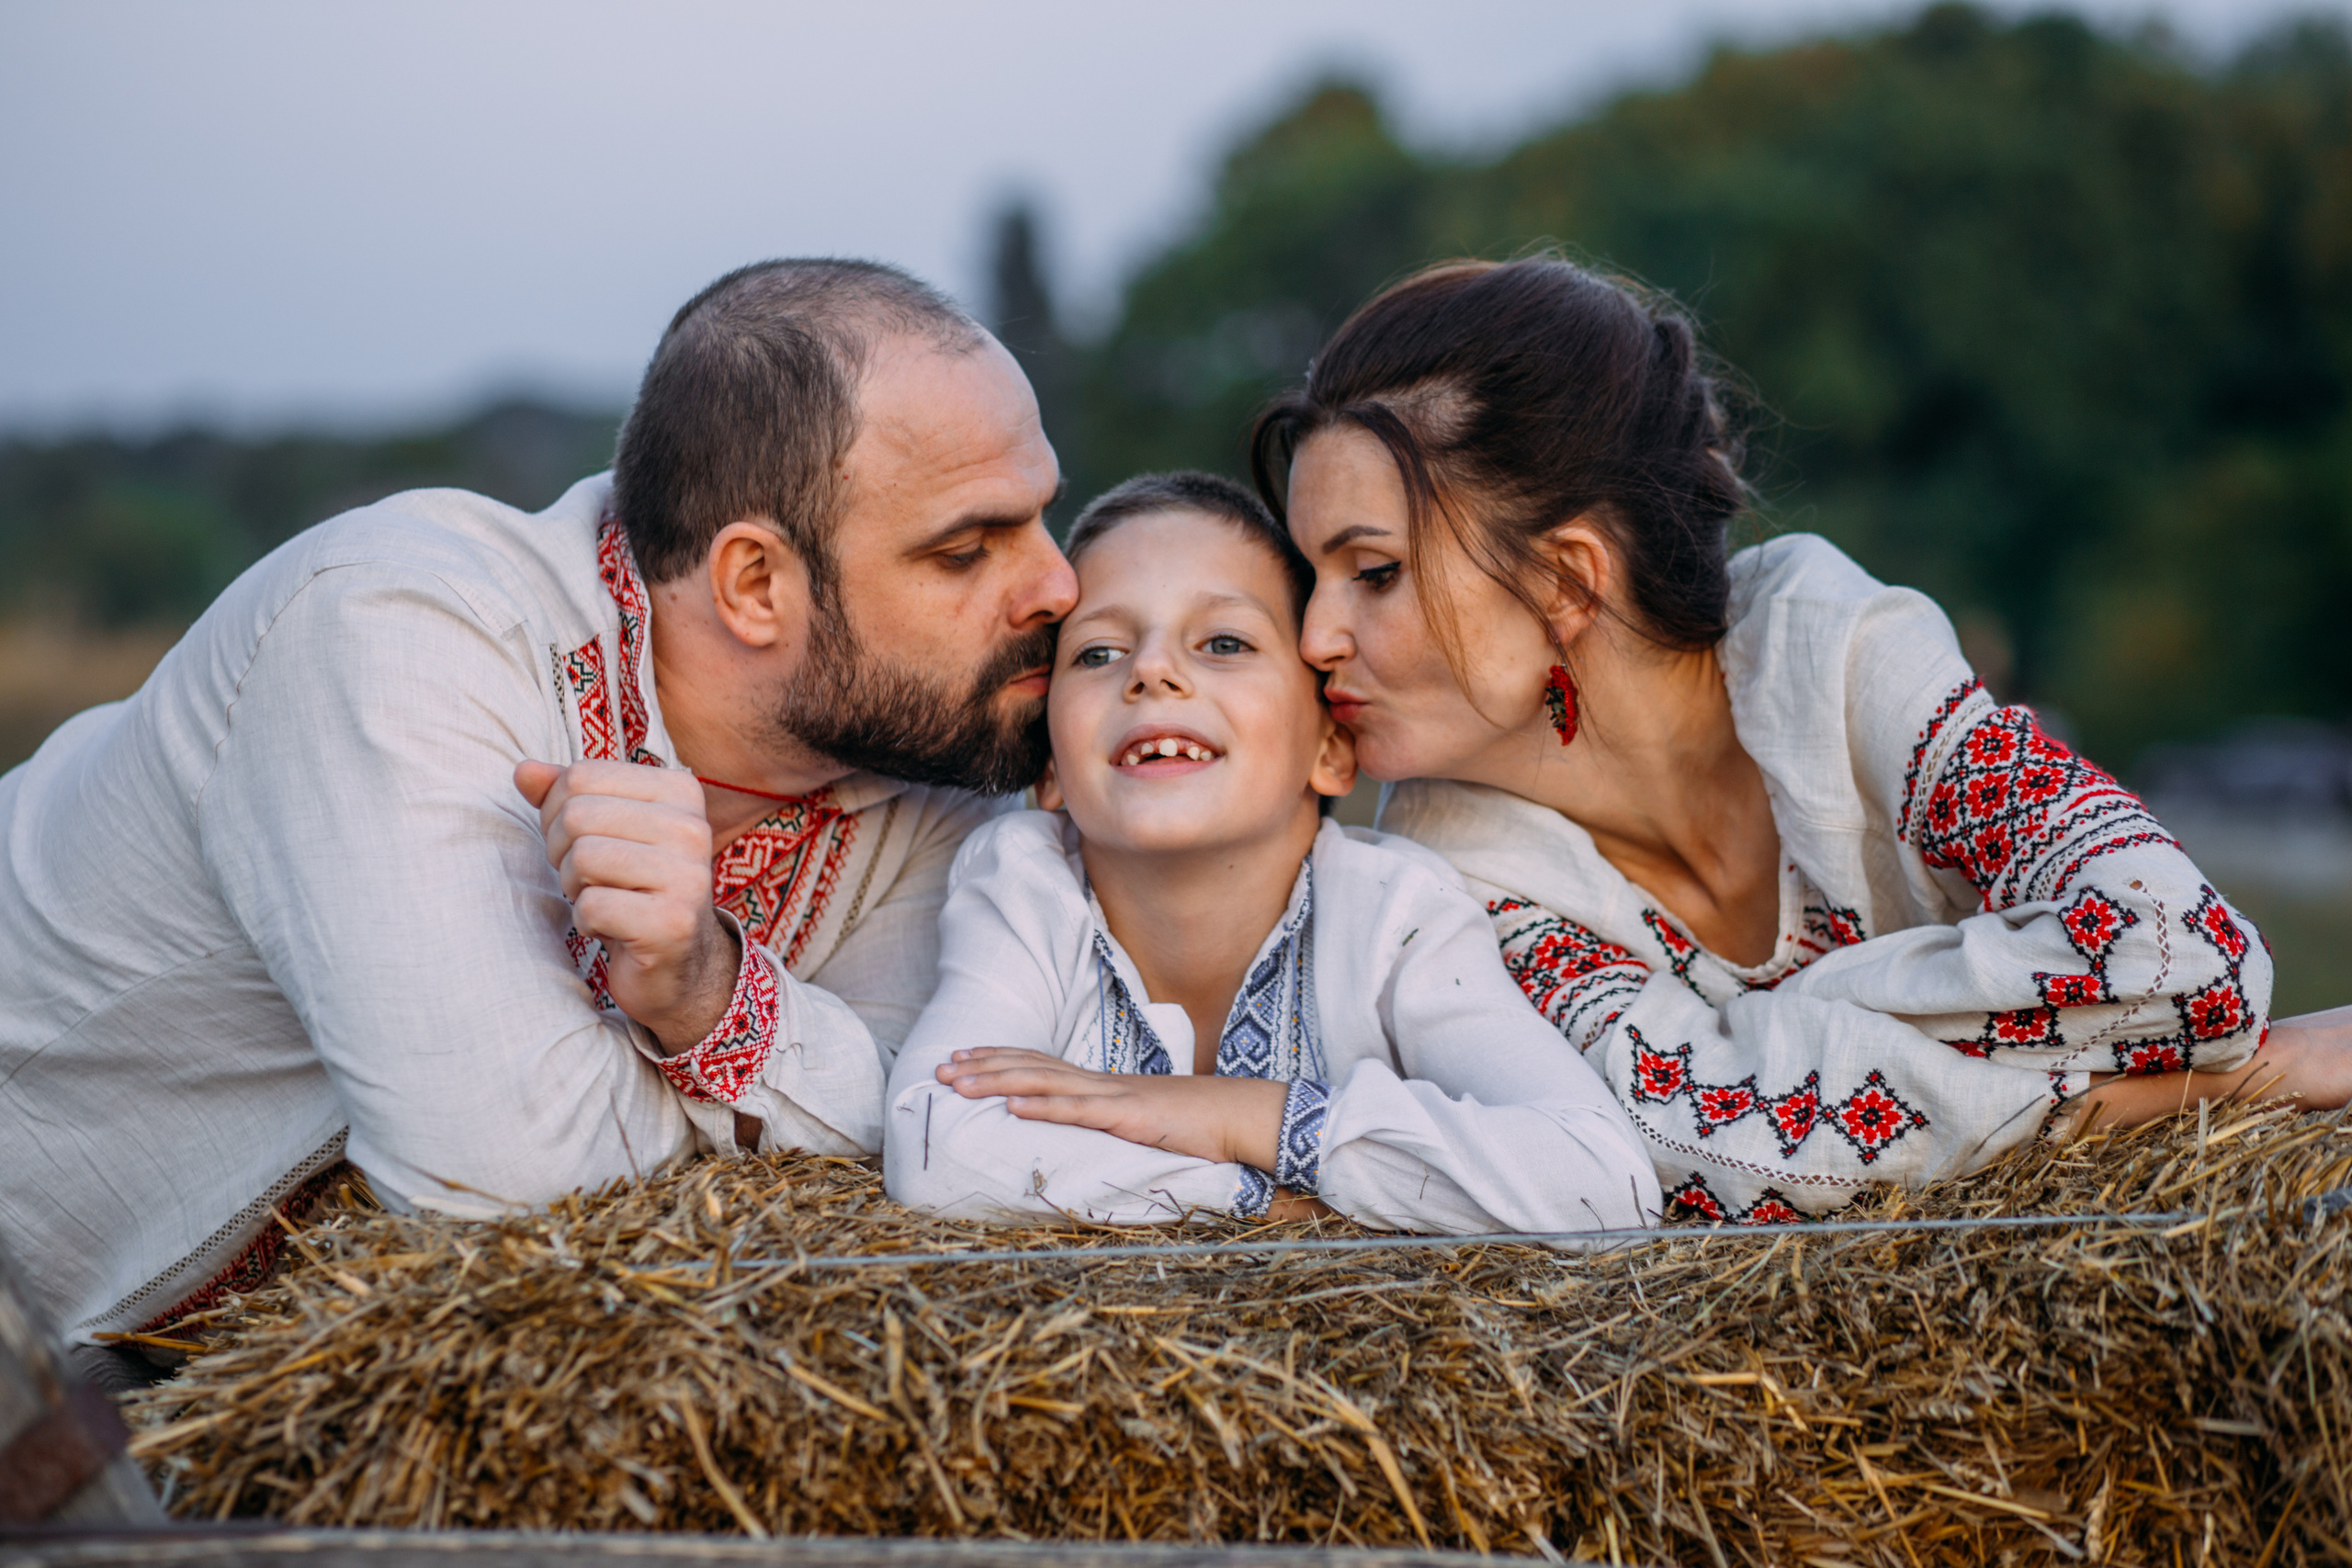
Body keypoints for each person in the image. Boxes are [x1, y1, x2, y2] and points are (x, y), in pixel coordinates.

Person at [0, 259, 1078, 1352]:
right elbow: (510, 1193)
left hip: (195, 1428)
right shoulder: (397, 627)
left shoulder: (942, 770)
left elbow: (927, 1130)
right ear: (754, 584)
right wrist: (763, 1076)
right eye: (965, 549)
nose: (1060, 587)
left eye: (1045, 516)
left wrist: (707, 993)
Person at [1250, 256, 2352, 1224]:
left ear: (1565, 578)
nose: (1314, 634)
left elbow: (2186, 960)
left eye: (1374, 573)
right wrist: (2232, 1085)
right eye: (1312, 579)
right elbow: (1705, 1154)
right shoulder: (1443, 877)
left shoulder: (1834, 651)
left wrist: (1768, 1041)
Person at [883, 473, 1659, 1235]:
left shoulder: (1396, 914)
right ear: (1050, 764)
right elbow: (933, 1144)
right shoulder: (1022, 881)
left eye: (1224, 642)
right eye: (1097, 653)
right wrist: (1257, 1202)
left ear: (1328, 744)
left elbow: (1600, 1179)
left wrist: (1240, 1115)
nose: (1151, 669)